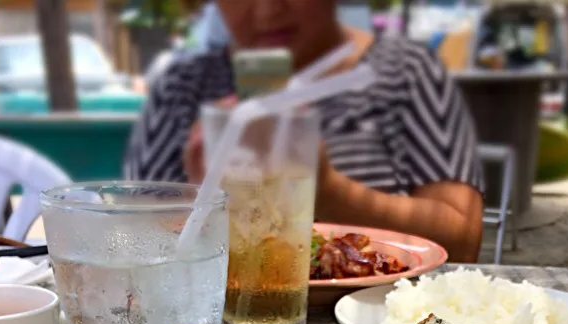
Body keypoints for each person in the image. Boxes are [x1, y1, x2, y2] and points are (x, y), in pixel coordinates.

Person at [125, 0, 484, 262]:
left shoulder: (405, 71)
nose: (266, 10)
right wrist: (208, 199)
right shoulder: (183, 87)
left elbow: (464, 241)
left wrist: (327, 191)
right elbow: (124, 237)